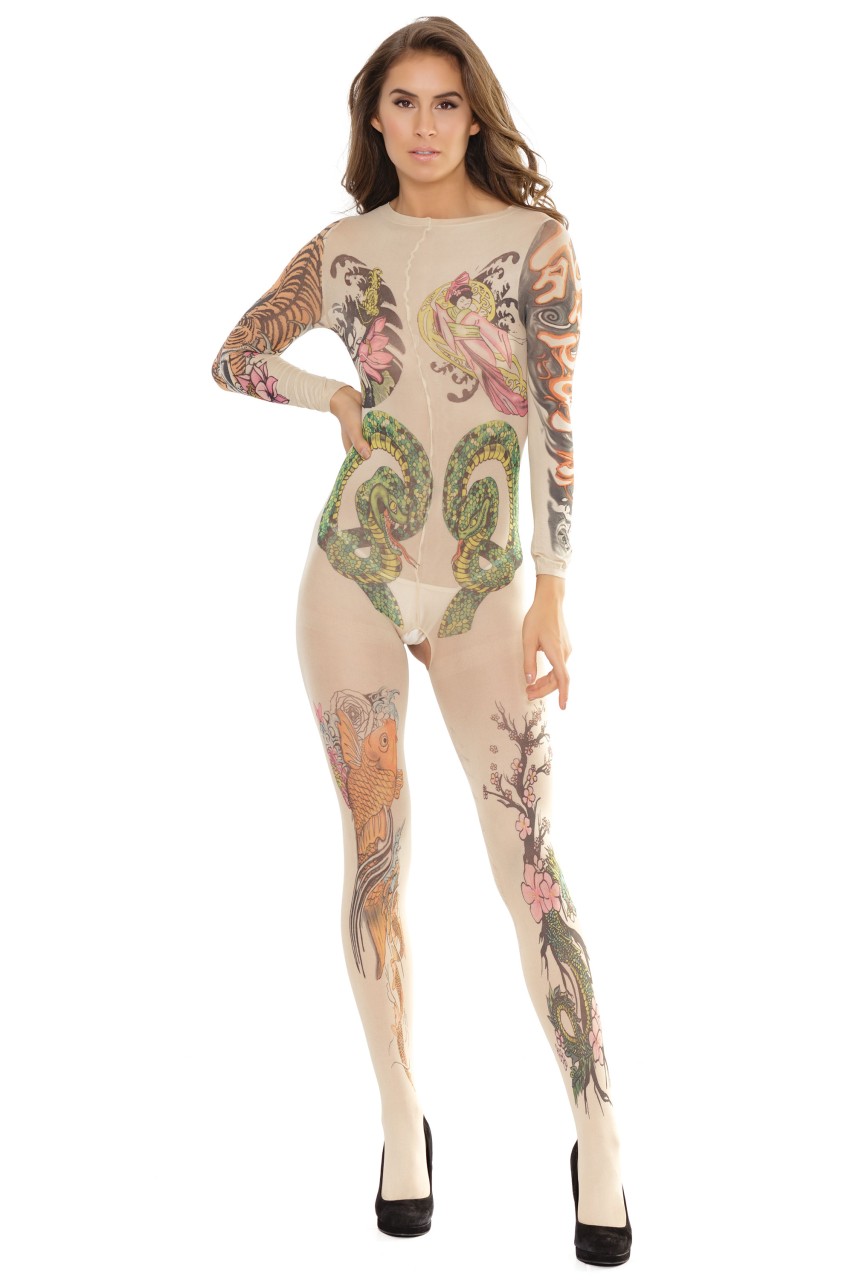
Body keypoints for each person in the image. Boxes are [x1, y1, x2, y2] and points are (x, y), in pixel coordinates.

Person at [211, 15, 632, 1264]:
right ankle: (402, 1119)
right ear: (373, 116)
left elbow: (556, 421)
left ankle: (598, 1131)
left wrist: (554, 587)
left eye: (447, 102)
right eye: (402, 101)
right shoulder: (342, 250)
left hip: (486, 582)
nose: (425, 124)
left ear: (475, 112)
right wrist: (332, 394)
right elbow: (234, 356)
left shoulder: (534, 244)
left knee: (528, 860)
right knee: (375, 858)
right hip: (353, 568)